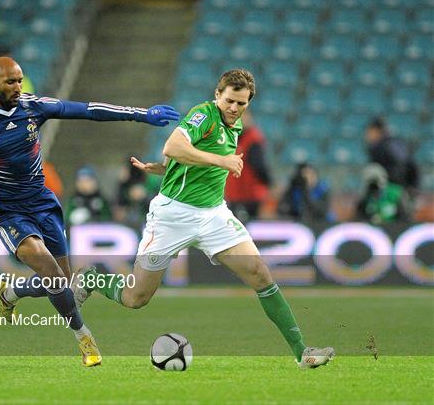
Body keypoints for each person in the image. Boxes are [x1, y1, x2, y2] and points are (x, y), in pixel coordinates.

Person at [74, 69, 335, 369]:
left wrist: (165, 169)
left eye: (241, 104)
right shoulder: (204, 114)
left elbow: (180, 157)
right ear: (217, 95)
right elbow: (173, 146)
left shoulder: (234, 127)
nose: (234, 109)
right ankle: (90, 278)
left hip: (213, 215)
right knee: (136, 298)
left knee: (260, 274)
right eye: (229, 101)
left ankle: (303, 352)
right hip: (172, 216)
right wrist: (220, 160)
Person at [0, 56, 179, 367]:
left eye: (20, 80)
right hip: (9, 211)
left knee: (61, 282)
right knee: (53, 275)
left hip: (43, 202)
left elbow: (88, 110)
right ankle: (85, 339)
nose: (18, 87)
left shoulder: (34, 106)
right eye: (11, 81)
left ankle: (10, 293)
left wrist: (140, 114)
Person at [225, 110, 271, 221]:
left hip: (249, 194)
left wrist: (268, 183)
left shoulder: (253, 139)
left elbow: (259, 166)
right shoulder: (232, 136)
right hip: (235, 194)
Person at [365, 117, 419, 194]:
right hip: (405, 189)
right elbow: (412, 165)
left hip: (390, 191)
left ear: (377, 131)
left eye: (369, 131)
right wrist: (413, 186)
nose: (367, 135)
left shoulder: (378, 147)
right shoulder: (399, 143)